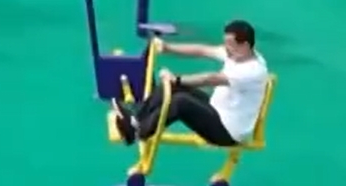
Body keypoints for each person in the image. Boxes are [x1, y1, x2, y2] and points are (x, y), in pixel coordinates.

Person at [111, 21, 269, 148]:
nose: (226, 48)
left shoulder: (252, 71)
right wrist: (168, 48)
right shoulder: (238, 53)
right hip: (217, 110)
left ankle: (140, 132)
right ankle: (136, 118)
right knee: (171, 88)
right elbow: (203, 50)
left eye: (230, 44)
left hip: (227, 132)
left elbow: (210, 79)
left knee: (180, 102)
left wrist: (176, 79)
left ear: (245, 45)